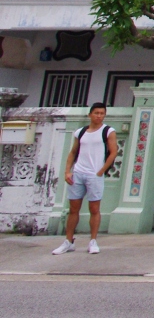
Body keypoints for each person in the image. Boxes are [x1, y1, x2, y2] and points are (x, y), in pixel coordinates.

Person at [51, 103, 118, 255]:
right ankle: (68, 241)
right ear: (90, 114)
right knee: (73, 209)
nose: (99, 116)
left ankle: (93, 240)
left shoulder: (108, 131)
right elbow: (73, 152)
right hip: (78, 172)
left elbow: (113, 152)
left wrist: (101, 171)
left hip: (94, 174)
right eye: (96, 113)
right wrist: (67, 171)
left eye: (102, 113)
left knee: (94, 208)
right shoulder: (80, 132)